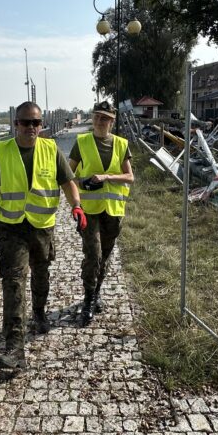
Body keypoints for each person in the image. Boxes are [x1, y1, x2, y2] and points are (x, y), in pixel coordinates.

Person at [0, 101, 85, 371]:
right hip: (11, 226)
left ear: (41, 124)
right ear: (16, 124)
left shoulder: (51, 149)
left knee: (41, 273)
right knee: (12, 282)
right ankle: (14, 348)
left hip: (42, 226)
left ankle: (38, 311)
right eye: (26, 122)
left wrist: (77, 206)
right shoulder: (2, 151)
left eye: (36, 123)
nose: (31, 127)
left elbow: (68, 182)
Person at [69, 101, 134, 325]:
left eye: (104, 118)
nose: (99, 121)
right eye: (97, 116)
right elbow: (68, 176)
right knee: (93, 255)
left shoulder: (122, 144)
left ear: (112, 121)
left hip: (113, 211)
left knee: (104, 256)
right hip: (89, 210)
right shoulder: (82, 142)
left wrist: (107, 177)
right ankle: (88, 300)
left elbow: (130, 177)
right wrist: (82, 183)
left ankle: (96, 293)